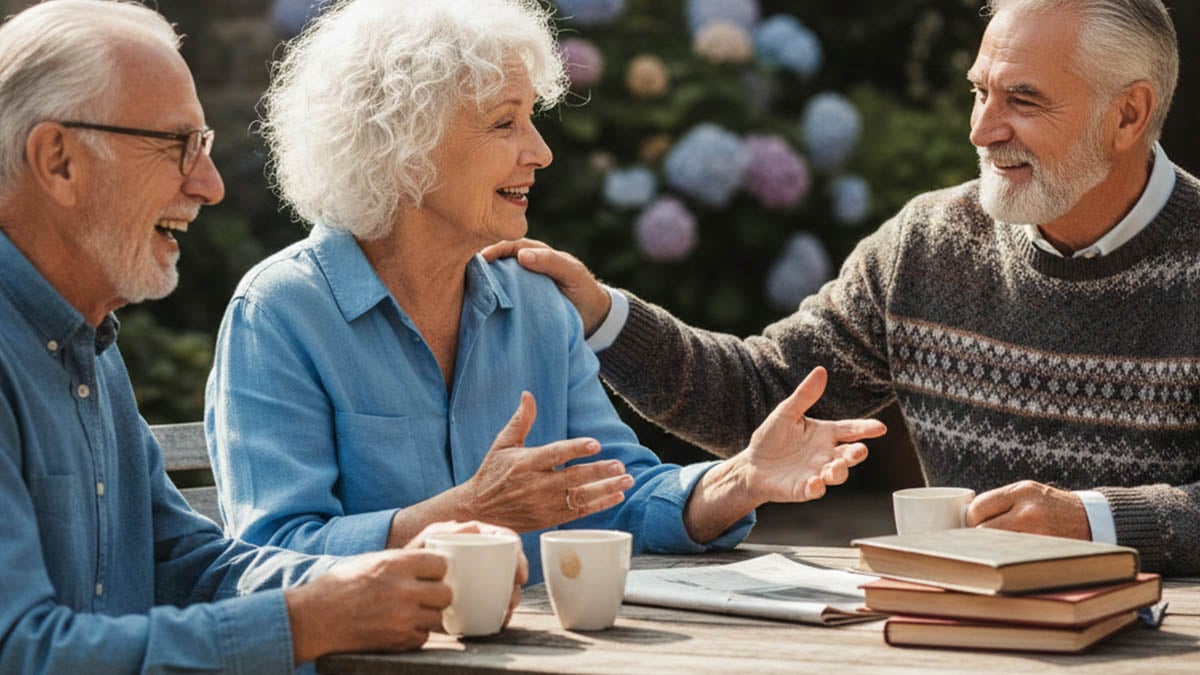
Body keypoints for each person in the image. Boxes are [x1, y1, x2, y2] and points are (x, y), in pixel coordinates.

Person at [486, 0, 1200, 576]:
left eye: (1023, 99)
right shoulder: (929, 242)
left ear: (1128, 116)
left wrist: (1094, 521)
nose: (981, 129)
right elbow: (762, 399)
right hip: (953, 634)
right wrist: (600, 313)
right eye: (979, 91)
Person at [205, 0, 886, 582]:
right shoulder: (282, 313)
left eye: (532, 117)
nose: (540, 150)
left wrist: (741, 478)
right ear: (401, 144)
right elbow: (272, 556)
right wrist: (467, 511)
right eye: (505, 123)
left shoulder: (533, 302)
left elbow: (613, 493)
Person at [0, 1, 525, 672]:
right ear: (59, 159)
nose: (209, 184)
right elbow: (21, 653)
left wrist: (374, 579)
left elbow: (184, 561)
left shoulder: (85, 343)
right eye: (177, 146)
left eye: (206, 149)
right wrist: (309, 619)